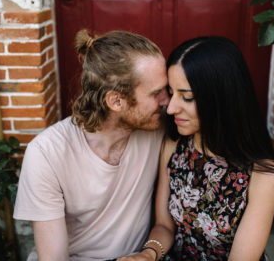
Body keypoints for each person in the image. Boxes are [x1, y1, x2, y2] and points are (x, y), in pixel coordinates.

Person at [119, 36, 274, 261]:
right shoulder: (174, 145)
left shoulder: (263, 175)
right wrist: (148, 254)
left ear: (219, 100)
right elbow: (164, 226)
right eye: (171, 92)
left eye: (187, 97)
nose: (171, 108)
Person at [13, 30, 170, 261]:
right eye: (157, 93)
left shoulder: (158, 126)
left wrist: (149, 254)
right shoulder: (47, 153)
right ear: (116, 101)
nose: (168, 101)